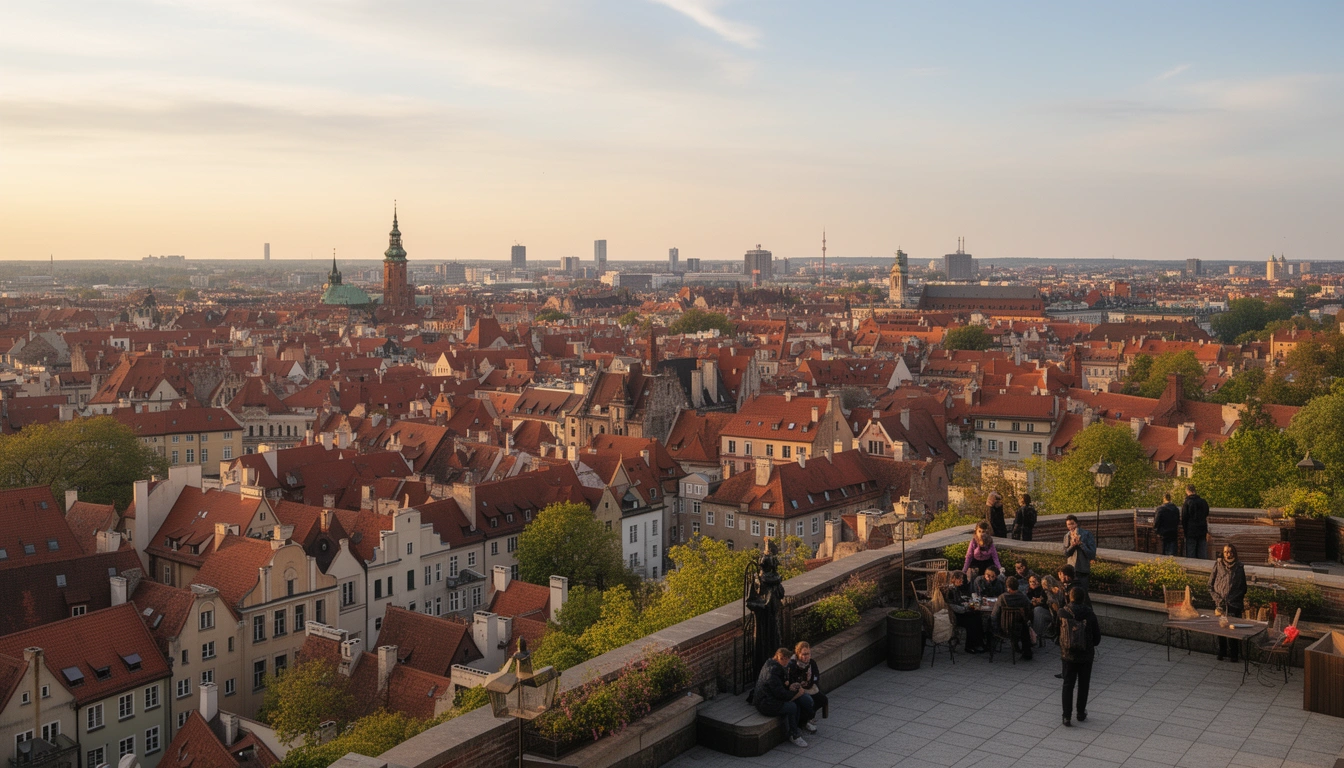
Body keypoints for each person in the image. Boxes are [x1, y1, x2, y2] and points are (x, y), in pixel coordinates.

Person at [1059, 586, 1101, 727]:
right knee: (1083, 684)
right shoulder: (1090, 614)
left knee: (1068, 684)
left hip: (1068, 654)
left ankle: (1066, 716)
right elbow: (1097, 638)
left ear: (1070, 597)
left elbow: (1054, 631)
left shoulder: (1062, 612)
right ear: (1083, 599)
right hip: (1085, 655)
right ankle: (1081, 713)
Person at [753, 647, 813, 747]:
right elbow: (780, 694)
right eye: (787, 660)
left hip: (770, 698)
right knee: (792, 706)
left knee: (802, 700)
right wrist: (796, 694)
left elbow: (779, 687)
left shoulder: (773, 665)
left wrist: (790, 686)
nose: (788, 662)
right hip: (766, 704)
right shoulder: (772, 672)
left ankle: (798, 726)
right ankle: (793, 735)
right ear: (781, 658)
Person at [1209, 544, 1248, 662]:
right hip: (1220, 604)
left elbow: (1243, 588)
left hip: (1234, 604)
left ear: (1234, 553)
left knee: (1233, 630)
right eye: (1226, 552)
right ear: (1223, 553)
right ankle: (1222, 652)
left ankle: (1234, 655)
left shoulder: (1239, 567)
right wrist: (1218, 599)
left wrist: (1233, 599)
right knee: (1221, 629)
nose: (1228, 554)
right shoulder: (1218, 565)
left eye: (1230, 552)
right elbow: (1210, 585)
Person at [943, 570, 986, 653]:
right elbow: (952, 606)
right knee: (971, 622)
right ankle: (969, 646)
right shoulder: (950, 591)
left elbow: (960, 601)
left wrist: (968, 604)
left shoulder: (956, 589)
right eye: (960, 579)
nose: (962, 581)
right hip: (955, 616)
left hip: (960, 612)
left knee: (977, 617)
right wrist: (966, 608)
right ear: (954, 579)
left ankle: (979, 642)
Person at [992, 576, 1034, 660]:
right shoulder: (1023, 597)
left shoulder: (1002, 598)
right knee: (1025, 627)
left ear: (1007, 586)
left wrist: (996, 628)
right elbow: (1029, 610)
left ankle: (991, 648)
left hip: (1004, 627)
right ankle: (1026, 652)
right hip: (1019, 629)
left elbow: (994, 614)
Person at [787, 641, 827, 726]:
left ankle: (810, 717)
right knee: (808, 701)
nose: (806, 657)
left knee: (822, 699)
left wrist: (810, 682)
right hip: (799, 689)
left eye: (808, 654)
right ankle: (804, 721)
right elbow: (791, 679)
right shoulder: (793, 665)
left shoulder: (811, 663)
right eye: (804, 654)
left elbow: (816, 676)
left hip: (810, 686)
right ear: (798, 654)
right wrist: (800, 684)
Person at [1063, 515, 1096, 596]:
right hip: (1071, 571)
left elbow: (1092, 554)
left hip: (1083, 570)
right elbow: (1066, 553)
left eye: (1072, 524)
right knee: (1071, 594)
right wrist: (1073, 545)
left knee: (1083, 594)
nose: (1071, 527)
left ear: (1076, 523)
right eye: (1068, 525)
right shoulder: (1067, 536)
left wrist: (1081, 544)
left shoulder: (1087, 534)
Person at [1181, 484, 1210, 559]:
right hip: (1202, 530)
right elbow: (1206, 514)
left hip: (1191, 531)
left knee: (1191, 554)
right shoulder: (1203, 502)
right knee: (1202, 553)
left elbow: (1184, 518)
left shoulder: (1187, 502)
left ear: (1187, 491)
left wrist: (1185, 531)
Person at [1035, 575, 1063, 642]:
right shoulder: (1045, 592)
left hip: (1057, 613)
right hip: (1050, 611)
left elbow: (1056, 605)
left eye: (1045, 584)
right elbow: (1044, 600)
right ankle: (1037, 634)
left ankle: (1037, 634)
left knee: (1038, 611)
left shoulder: (1056, 591)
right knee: (1037, 610)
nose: (1044, 586)